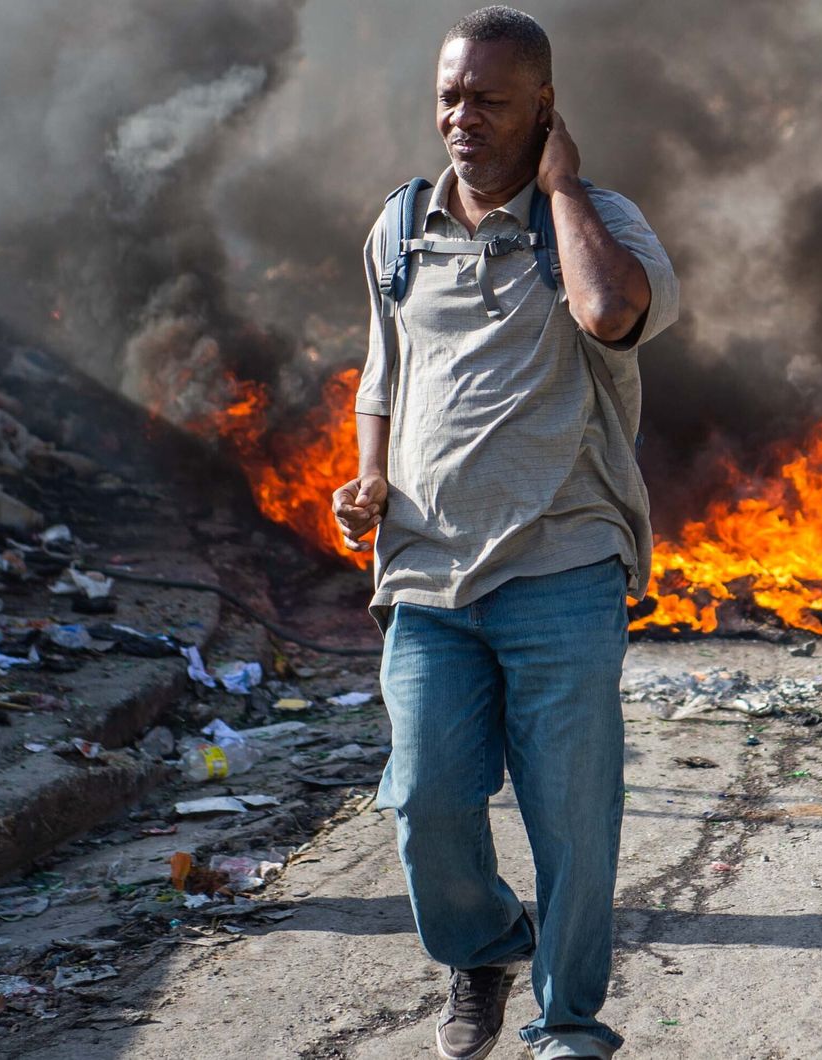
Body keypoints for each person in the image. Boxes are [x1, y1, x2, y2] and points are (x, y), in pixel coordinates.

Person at [331, 8, 678, 1058]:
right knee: (423, 801)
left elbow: (612, 313)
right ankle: (482, 943)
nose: (461, 118)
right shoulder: (398, 228)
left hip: (563, 571)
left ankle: (568, 1020)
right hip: (430, 577)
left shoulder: (603, 224)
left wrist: (564, 189)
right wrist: (368, 476)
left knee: (575, 823)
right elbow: (383, 374)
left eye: (488, 98)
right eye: (449, 95)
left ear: (545, 106)